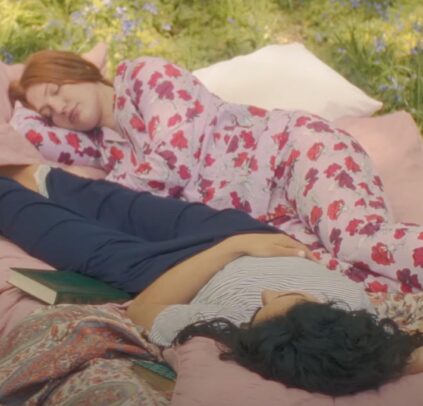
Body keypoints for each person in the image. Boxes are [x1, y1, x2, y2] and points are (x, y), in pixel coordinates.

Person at [9, 50, 423, 293]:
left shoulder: (146, 76)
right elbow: (26, 139)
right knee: (325, 275)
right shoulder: (108, 151)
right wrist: (22, 100)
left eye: (56, 90)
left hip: (293, 153)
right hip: (267, 214)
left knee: (356, 241)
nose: (59, 108)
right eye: (49, 112)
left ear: (79, 71)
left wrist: (122, 195)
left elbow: (172, 164)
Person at [0, 163, 423, 396]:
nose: (267, 292)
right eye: (290, 297)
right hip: (249, 235)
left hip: (173, 269)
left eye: (263, 308)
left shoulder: (229, 336)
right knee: (112, 201)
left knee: (46, 227)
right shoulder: (361, 337)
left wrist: (231, 250)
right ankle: (35, 171)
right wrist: (242, 240)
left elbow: (144, 310)